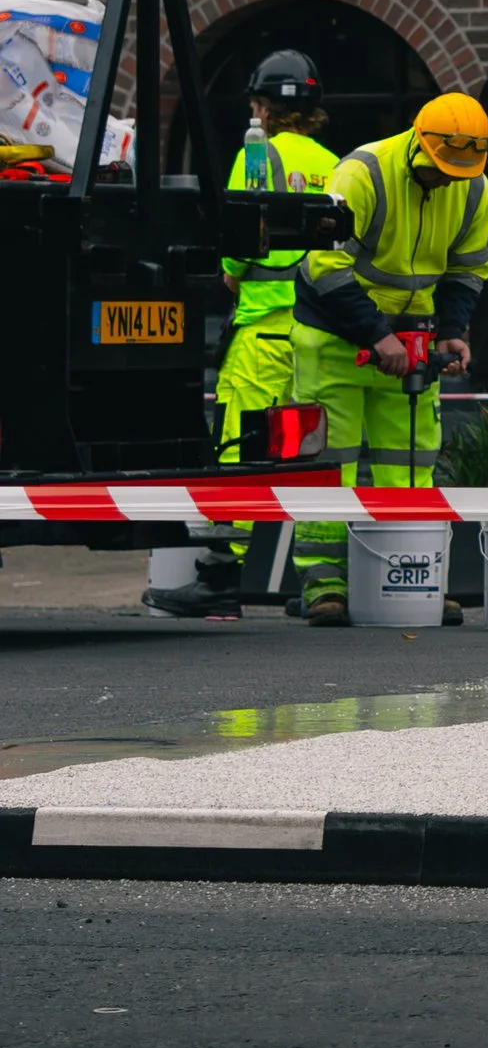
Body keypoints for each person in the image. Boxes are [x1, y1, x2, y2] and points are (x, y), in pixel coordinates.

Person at [145, 48, 340, 620]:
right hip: (319, 335)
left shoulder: (255, 158)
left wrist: (233, 277)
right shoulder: (339, 163)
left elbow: (235, 256)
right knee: (312, 458)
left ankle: (220, 579)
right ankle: (321, 586)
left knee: (237, 451)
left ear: (262, 105)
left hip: (261, 334)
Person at [290, 92, 488, 631]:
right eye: (438, 169)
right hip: (334, 337)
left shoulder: (473, 186)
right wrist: (377, 335)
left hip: (410, 342)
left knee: (408, 464)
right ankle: (325, 587)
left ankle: (413, 577)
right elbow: (324, 266)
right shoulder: (363, 173)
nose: (447, 180)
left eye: (458, 172)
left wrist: (450, 334)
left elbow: (467, 270)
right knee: (326, 466)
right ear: (417, 145)